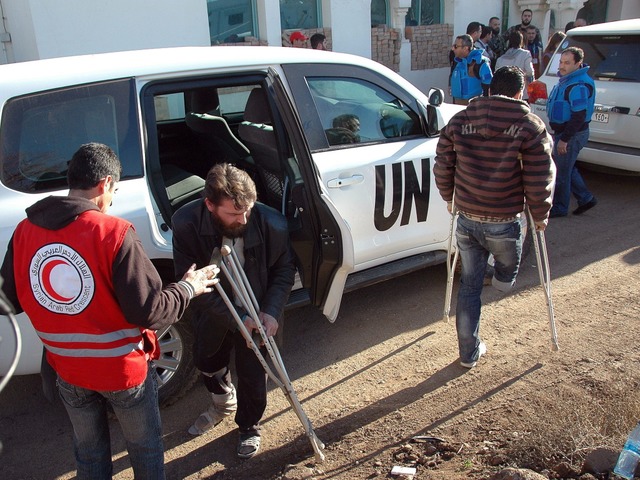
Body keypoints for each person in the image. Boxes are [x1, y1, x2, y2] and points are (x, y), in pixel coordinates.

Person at [0, 142, 219, 479]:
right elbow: (149, 311)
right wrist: (189, 287)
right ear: (105, 183)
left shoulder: (24, 232)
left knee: (88, 454)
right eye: (113, 190)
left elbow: (8, 301)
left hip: (67, 370)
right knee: (145, 449)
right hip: (120, 372)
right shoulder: (113, 233)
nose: (112, 200)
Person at [434, 66, 556, 369]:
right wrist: (540, 214)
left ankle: (468, 353)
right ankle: (502, 279)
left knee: (470, 285)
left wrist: (449, 197)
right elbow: (540, 176)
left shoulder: (459, 121)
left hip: (467, 218)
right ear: (520, 91)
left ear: (489, 89)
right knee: (506, 269)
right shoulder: (530, 125)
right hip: (503, 219)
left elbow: (443, 164)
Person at [172, 163, 296, 459]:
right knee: (207, 360)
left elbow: (284, 270)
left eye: (247, 211)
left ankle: (249, 426)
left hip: (258, 306)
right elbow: (189, 282)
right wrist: (237, 319)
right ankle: (222, 402)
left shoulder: (271, 223)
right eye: (233, 214)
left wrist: (271, 311)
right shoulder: (187, 224)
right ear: (210, 206)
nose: (243, 219)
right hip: (214, 306)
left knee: (254, 373)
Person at [547, 47, 597, 217]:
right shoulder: (567, 80)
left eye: (567, 63)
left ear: (578, 64)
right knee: (567, 168)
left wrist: (565, 140)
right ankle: (585, 198)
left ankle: (560, 208)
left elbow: (579, 115)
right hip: (566, 132)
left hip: (571, 134)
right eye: (561, 62)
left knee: (562, 172)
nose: (562, 66)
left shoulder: (578, 85)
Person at [450, 34, 493, 105]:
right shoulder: (459, 61)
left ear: (465, 48)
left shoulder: (480, 63)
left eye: (456, 46)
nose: (453, 49)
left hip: (473, 109)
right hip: (457, 106)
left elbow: (488, 87)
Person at [495, 31, 534, 99]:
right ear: (521, 41)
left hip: (503, 93)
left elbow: (496, 75)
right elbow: (530, 72)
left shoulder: (500, 59)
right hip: (520, 92)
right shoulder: (526, 54)